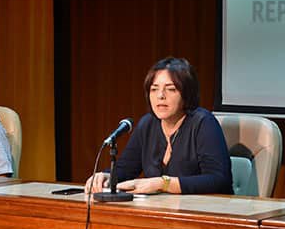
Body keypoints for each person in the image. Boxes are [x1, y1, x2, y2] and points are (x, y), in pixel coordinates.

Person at [86, 57, 232, 195]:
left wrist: (163, 183)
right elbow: (126, 169)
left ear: (186, 94)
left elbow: (218, 179)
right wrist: (106, 176)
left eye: (171, 89)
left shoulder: (203, 123)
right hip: (163, 212)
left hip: (203, 212)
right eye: (154, 89)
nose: (160, 95)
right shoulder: (148, 124)